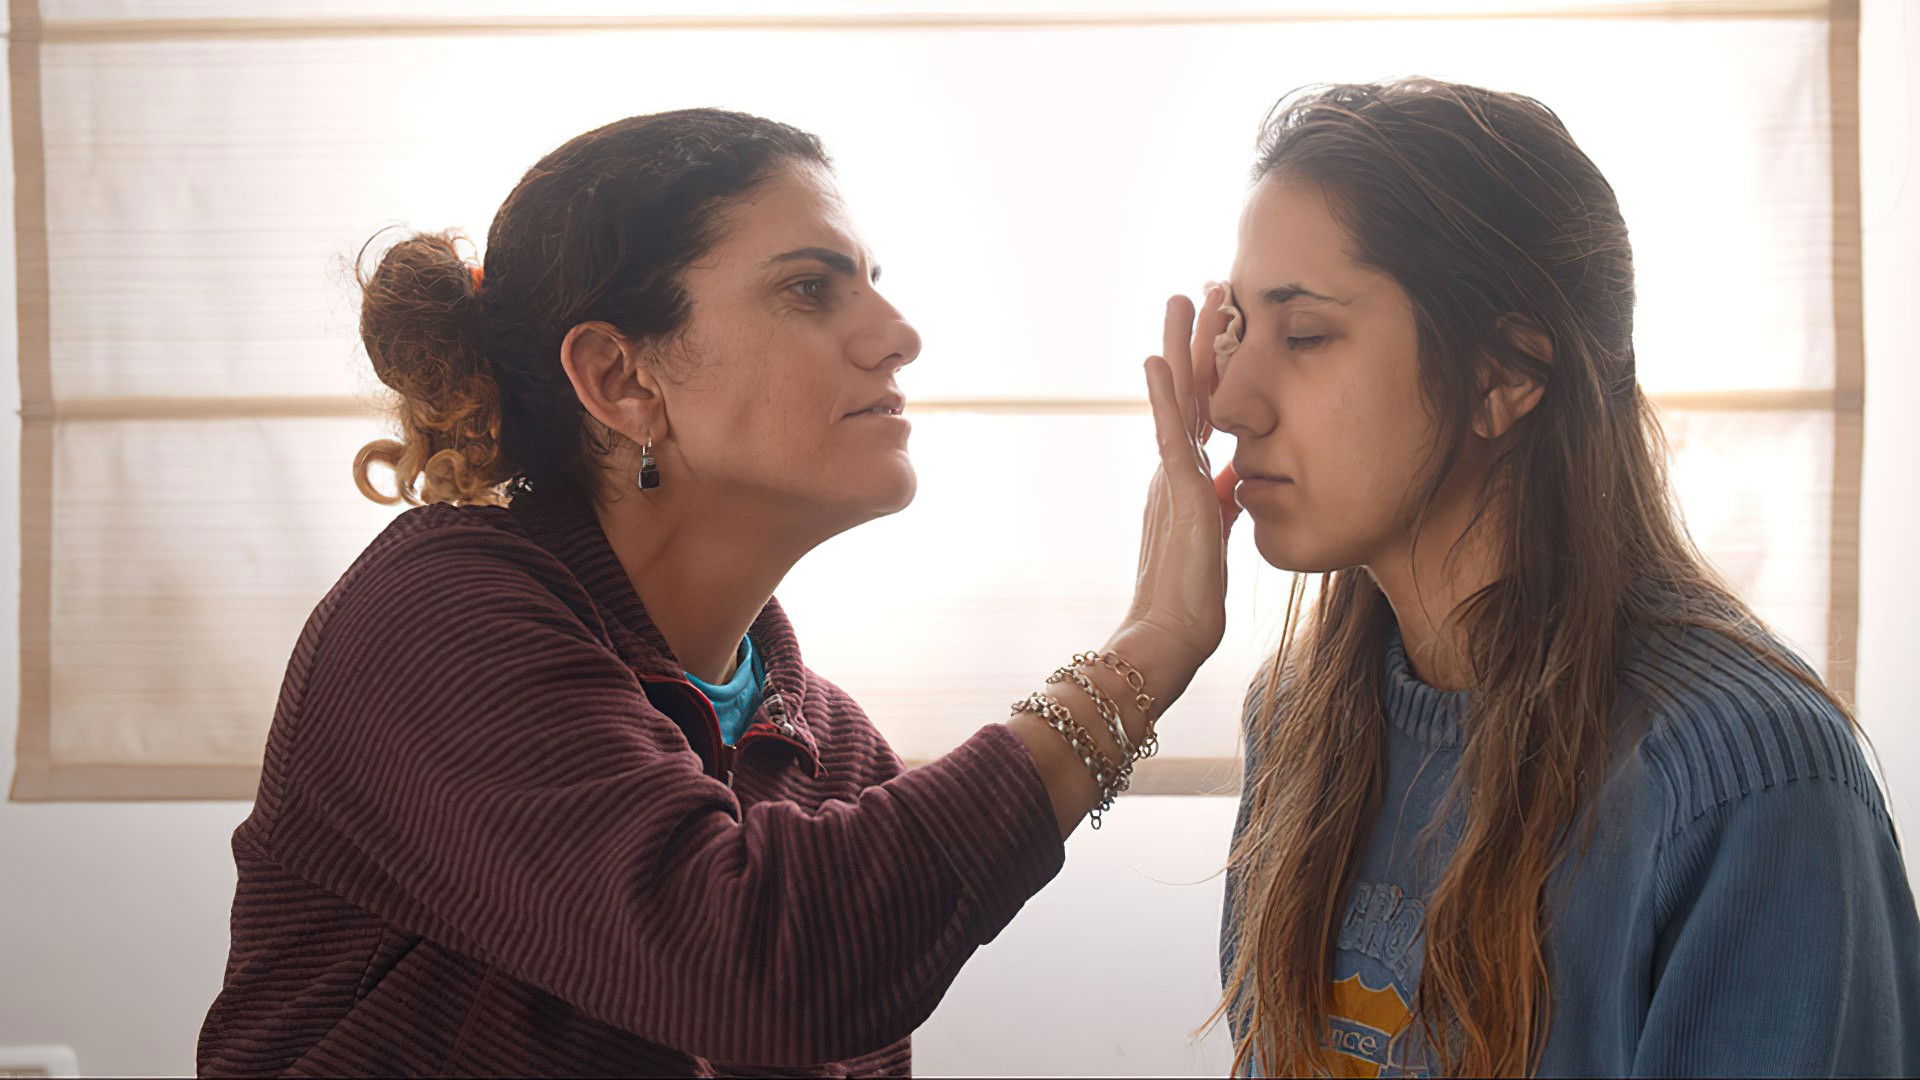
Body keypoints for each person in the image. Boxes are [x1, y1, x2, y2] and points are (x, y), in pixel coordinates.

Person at [195, 109, 1237, 1076]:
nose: (899, 334)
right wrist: (1147, 649)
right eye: (811, 289)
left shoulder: (837, 756)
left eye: (872, 282)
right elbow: (753, 962)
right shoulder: (435, 622)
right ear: (621, 379)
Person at [1205, 79, 1920, 1077]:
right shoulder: (1297, 720)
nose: (1229, 401)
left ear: (1507, 372)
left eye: (1306, 335)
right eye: (1235, 328)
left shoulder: (1748, 784)